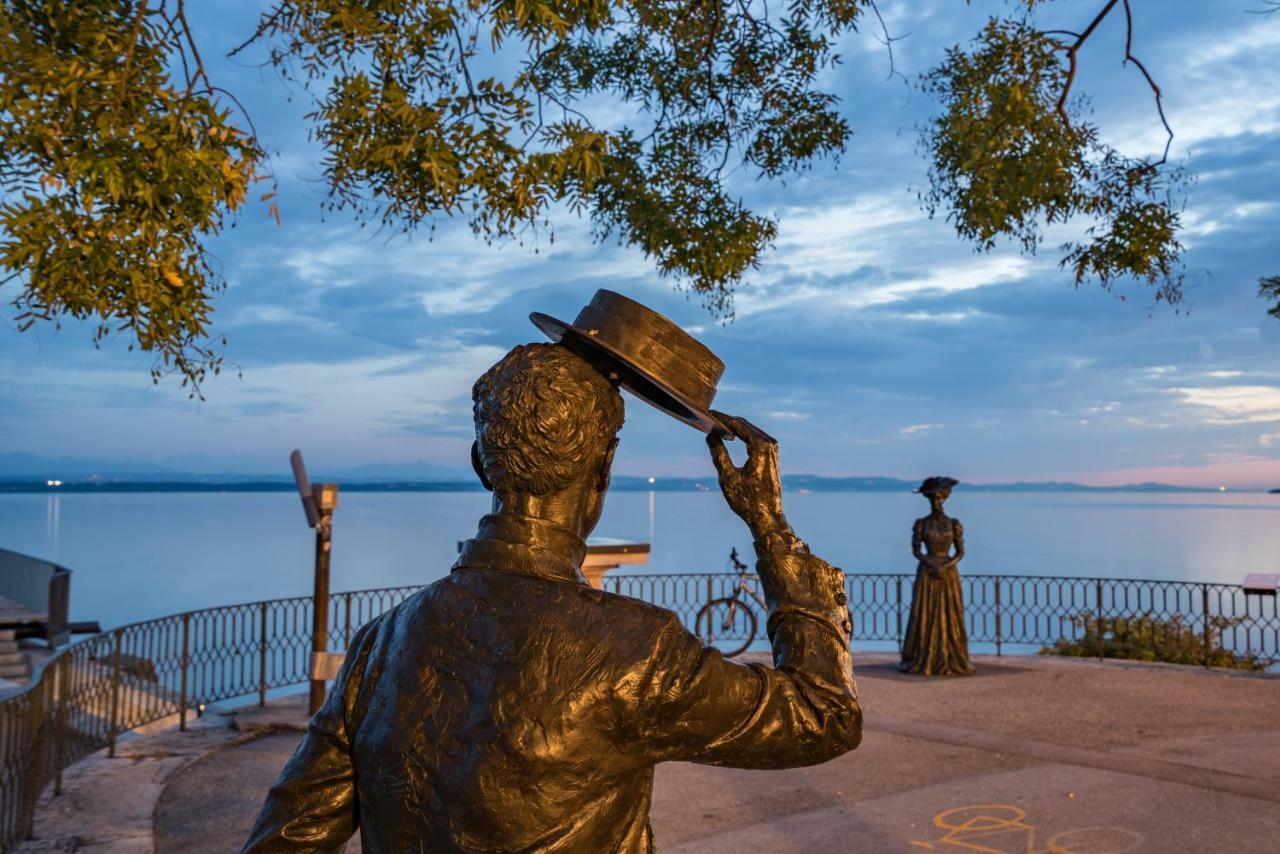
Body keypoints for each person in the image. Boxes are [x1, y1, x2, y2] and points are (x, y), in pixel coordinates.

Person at [243, 293, 860, 853]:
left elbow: (285, 842)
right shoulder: (637, 653)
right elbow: (824, 715)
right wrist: (772, 532)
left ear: (482, 464)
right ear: (602, 470)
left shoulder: (381, 647)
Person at [900, 476, 974, 676]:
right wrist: (931, 563)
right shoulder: (921, 524)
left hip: (947, 574)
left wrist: (945, 565)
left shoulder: (953, 524)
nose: (936, 502)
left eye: (939, 498)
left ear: (945, 499)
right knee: (925, 613)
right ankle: (923, 656)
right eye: (933, 499)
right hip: (928, 572)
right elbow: (916, 550)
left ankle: (950, 656)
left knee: (949, 614)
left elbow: (960, 551)